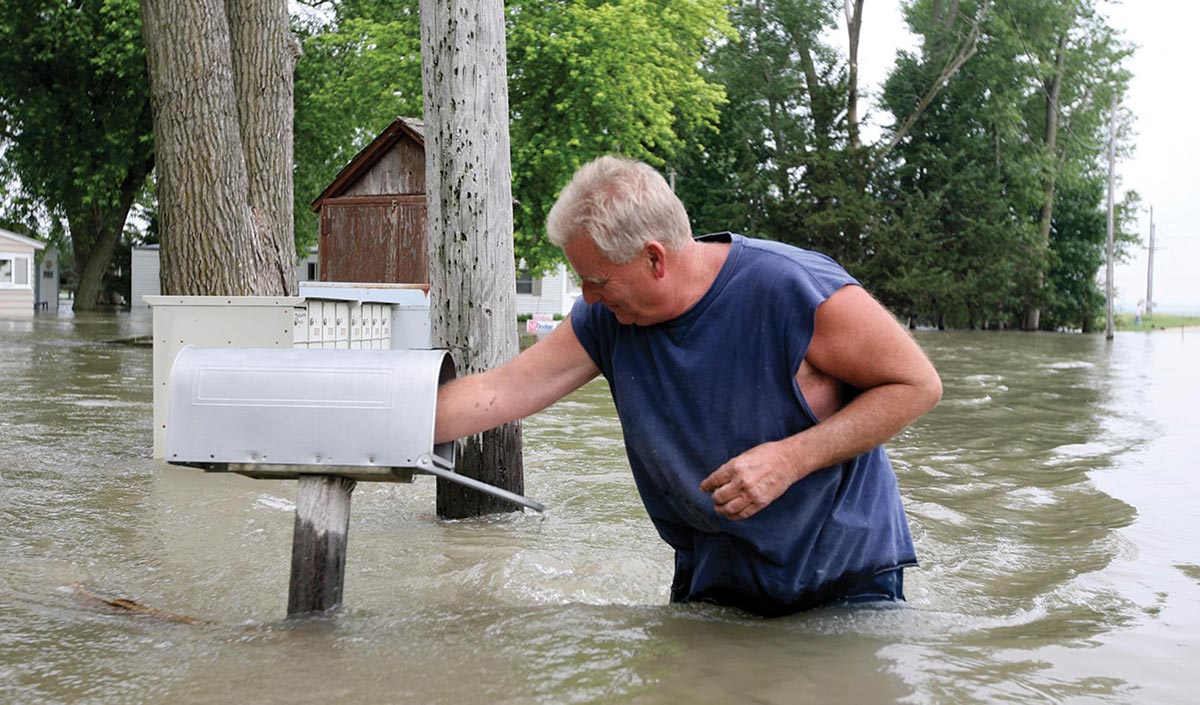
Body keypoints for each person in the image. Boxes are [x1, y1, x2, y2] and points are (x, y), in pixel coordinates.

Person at [435, 156, 942, 616]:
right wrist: (378, 417)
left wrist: (793, 458)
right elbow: (500, 393)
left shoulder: (792, 287)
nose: (586, 296)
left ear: (654, 259)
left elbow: (916, 384)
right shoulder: (604, 319)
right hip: (713, 577)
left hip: (843, 581)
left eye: (598, 280)